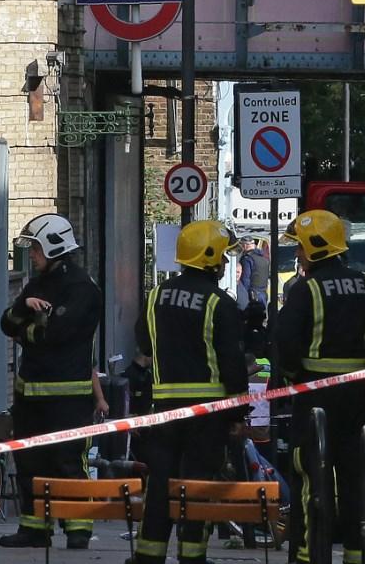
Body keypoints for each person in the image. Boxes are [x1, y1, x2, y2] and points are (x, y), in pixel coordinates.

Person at [274, 209, 365, 564]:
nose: (297, 254)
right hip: (356, 399)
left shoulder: (305, 290)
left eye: (300, 248)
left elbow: (284, 342)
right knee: (357, 480)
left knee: (310, 478)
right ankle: (357, 556)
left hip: (313, 398)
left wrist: (294, 377)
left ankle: (308, 556)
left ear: (316, 247)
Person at [132, 220, 248, 564]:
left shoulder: (156, 296)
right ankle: (192, 555)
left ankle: (148, 555)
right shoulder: (219, 303)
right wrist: (238, 414)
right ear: (208, 257)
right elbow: (232, 365)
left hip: (164, 410)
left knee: (160, 483)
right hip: (207, 414)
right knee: (197, 485)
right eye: (223, 257)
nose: (226, 263)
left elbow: (143, 341)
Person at [0, 213, 101, 550]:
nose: (33, 255)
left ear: (55, 247)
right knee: (30, 463)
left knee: (68, 462)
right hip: (30, 396)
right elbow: (6, 325)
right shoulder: (37, 285)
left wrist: (27, 330)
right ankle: (34, 528)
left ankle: (78, 529)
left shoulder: (81, 288)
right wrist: (23, 306)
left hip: (67, 398)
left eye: (37, 249)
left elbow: (54, 335)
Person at [239, 235, 269, 307]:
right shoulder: (263, 258)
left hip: (253, 295)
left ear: (245, 246)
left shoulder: (247, 259)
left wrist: (243, 296)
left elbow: (245, 279)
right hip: (264, 294)